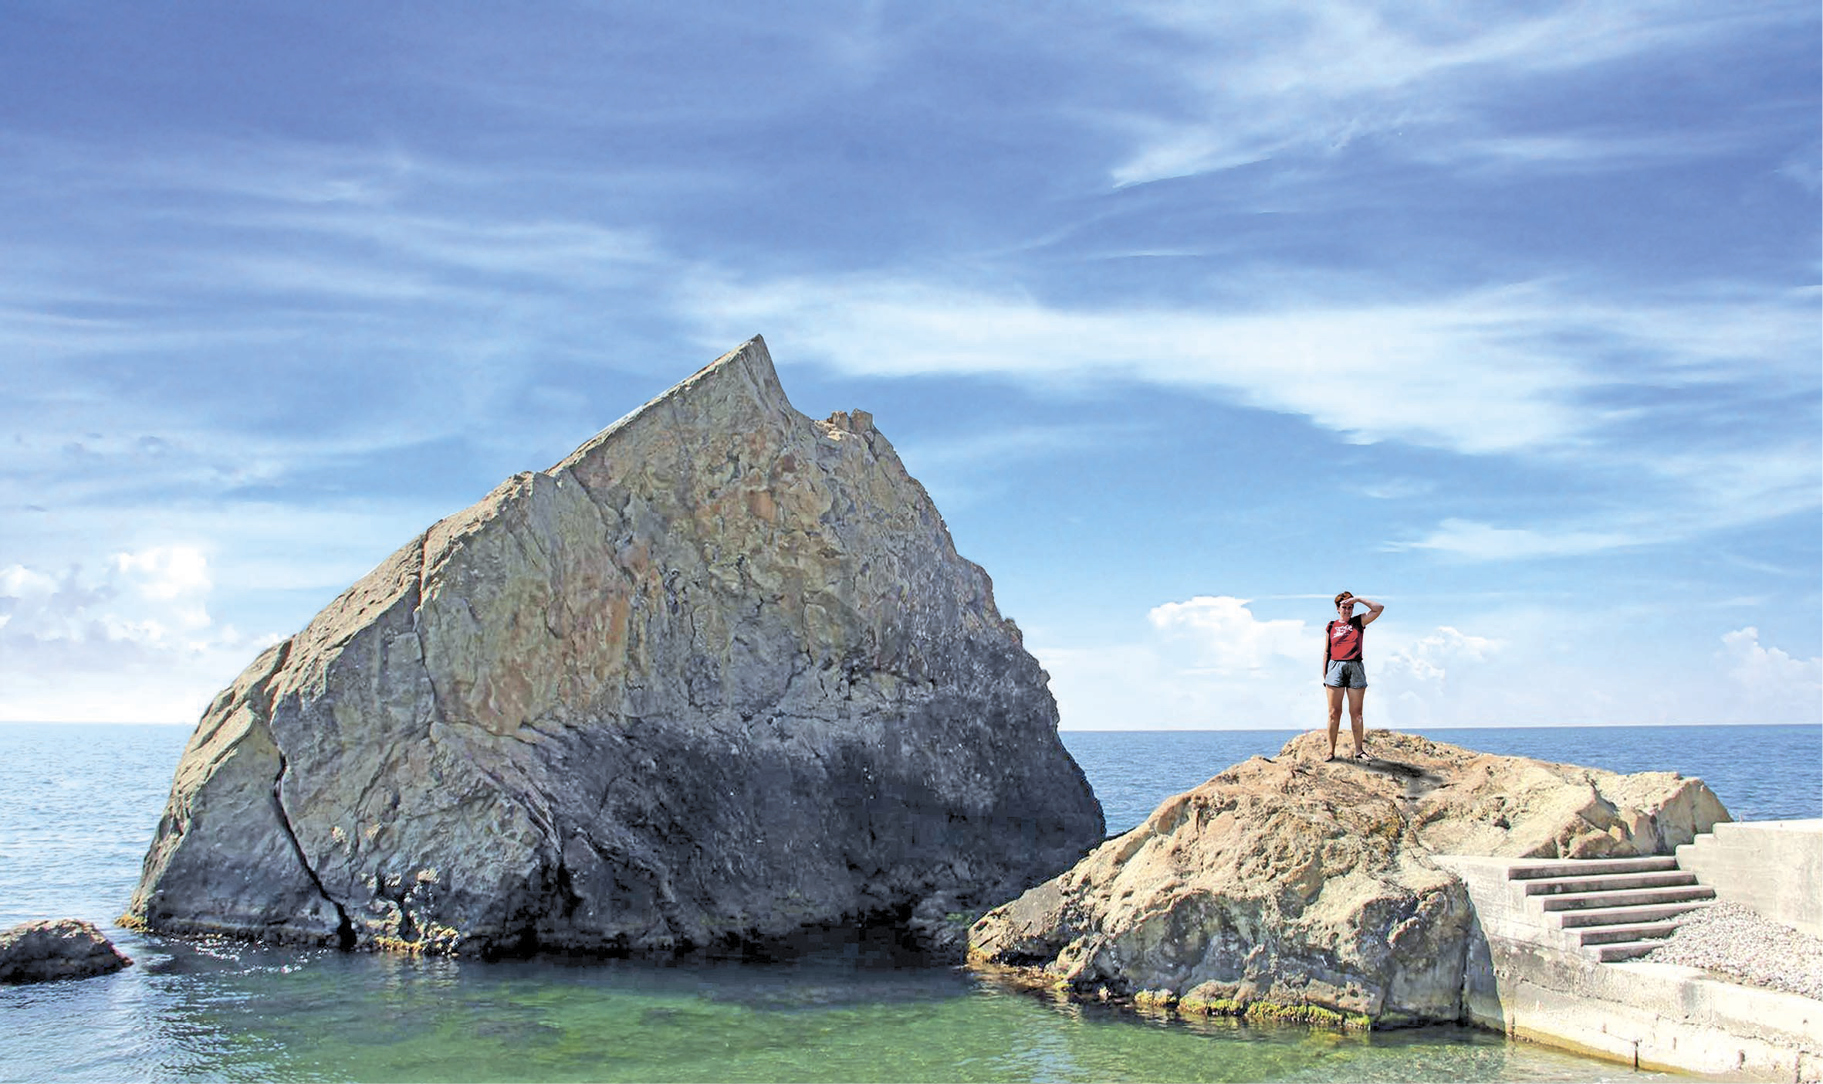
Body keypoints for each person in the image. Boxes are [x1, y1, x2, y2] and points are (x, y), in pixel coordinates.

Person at [1322, 591, 1383, 761]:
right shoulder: (1331, 626)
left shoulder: (1359, 622)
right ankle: (1330, 751)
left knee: (1356, 713)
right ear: (1338, 608)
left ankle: (1359, 750)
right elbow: (1327, 651)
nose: (1347, 610)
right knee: (1334, 713)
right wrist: (1325, 673)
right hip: (1335, 667)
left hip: (1355, 666)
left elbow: (1379, 608)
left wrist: (1358, 599)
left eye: (1350, 607)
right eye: (1344, 607)